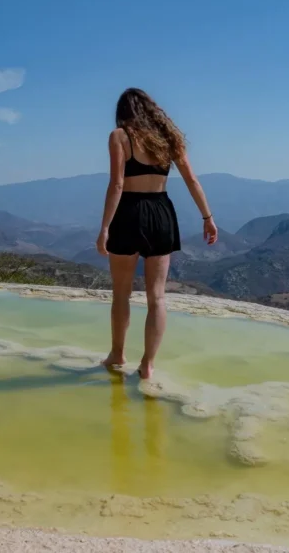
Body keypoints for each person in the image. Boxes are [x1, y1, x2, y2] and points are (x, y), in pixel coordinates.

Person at [96, 87, 217, 379]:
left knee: (122, 294)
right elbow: (191, 180)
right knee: (157, 297)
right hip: (161, 213)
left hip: (128, 214)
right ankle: (148, 365)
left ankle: (117, 354)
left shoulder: (120, 136)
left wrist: (104, 228)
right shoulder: (167, 139)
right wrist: (207, 217)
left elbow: (117, 185)